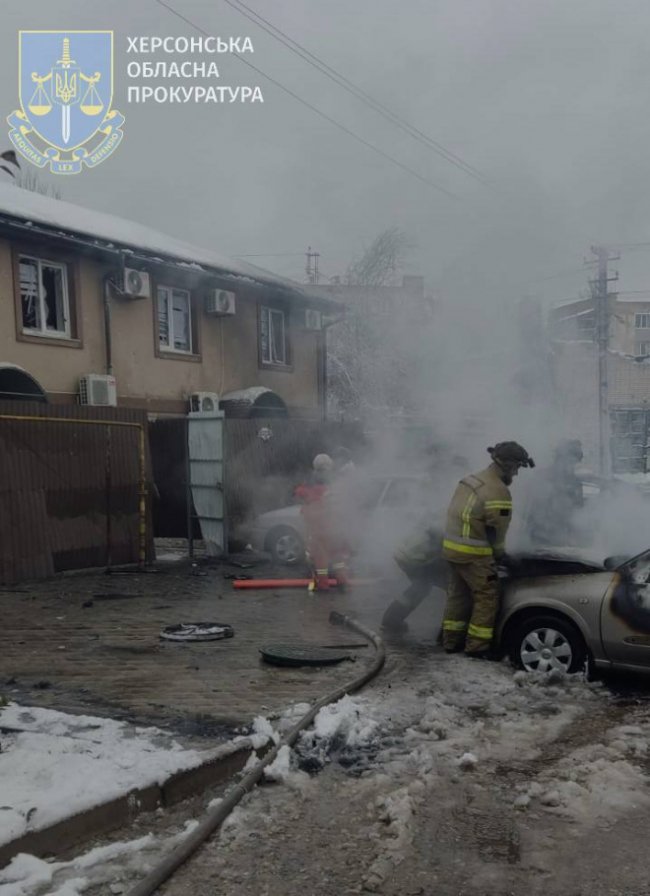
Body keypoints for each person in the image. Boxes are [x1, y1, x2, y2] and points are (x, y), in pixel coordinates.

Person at [441, 441, 535, 657]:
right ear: (508, 465)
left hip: (452, 550)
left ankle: (451, 641)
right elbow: (497, 530)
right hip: (475, 555)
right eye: (517, 468)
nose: (517, 474)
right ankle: (477, 647)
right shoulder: (498, 491)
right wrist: (501, 555)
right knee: (487, 597)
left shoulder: (470, 480)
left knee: (458, 596)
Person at [381, 515, 447, 632]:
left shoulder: (441, 515)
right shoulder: (449, 523)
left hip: (403, 554)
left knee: (421, 587)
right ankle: (451, 632)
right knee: (457, 590)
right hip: (417, 558)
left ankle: (391, 620)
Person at [524, 439, 584, 547]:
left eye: (574, 462)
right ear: (560, 458)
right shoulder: (542, 477)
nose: (571, 465)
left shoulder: (575, 482)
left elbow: (578, 509)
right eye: (569, 460)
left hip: (563, 538)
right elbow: (529, 509)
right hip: (540, 538)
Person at [294, 454, 335, 592]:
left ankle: (321, 583)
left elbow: (299, 492)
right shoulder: (328, 481)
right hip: (324, 522)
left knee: (319, 554)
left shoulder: (311, 480)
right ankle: (335, 582)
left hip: (317, 522)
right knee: (330, 553)